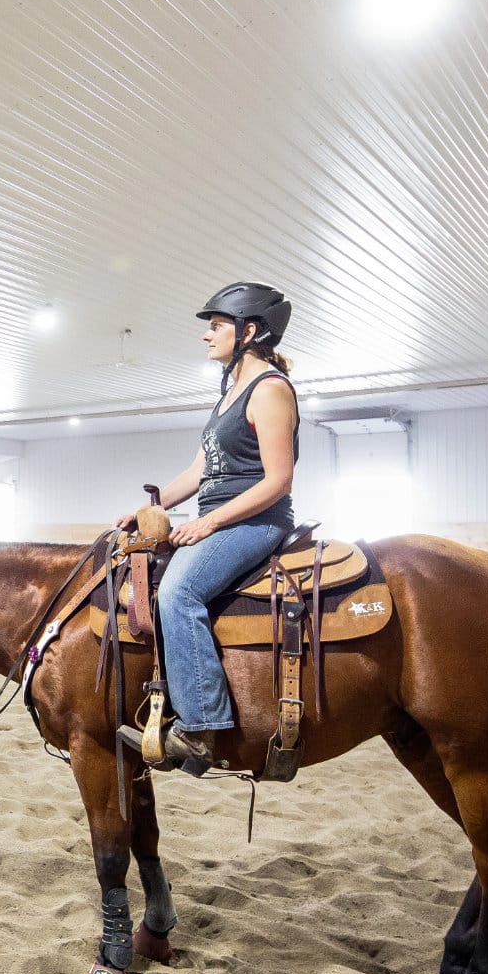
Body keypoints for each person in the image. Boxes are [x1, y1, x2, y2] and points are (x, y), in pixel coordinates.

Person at [116, 281, 301, 774]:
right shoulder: (228, 394)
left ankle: (199, 729)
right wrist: (148, 507)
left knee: (178, 592)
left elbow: (279, 481)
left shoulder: (270, 391)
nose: (207, 335)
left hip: (256, 522)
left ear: (250, 331)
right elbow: (200, 471)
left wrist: (208, 521)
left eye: (217, 325)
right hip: (221, 519)